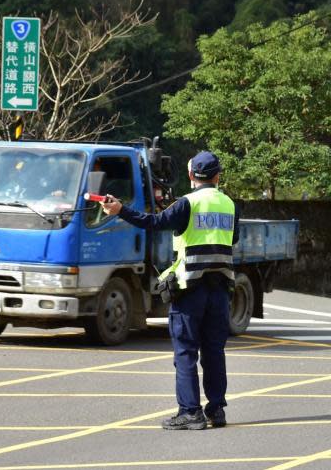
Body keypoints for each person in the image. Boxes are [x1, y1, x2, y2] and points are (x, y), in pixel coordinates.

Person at [101, 151, 239, 430]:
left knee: (186, 352)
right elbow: (233, 238)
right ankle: (216, 410)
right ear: (217, 176)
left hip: (190, 289)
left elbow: (154, 223)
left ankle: (190, 412)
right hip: (220, 289)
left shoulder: (187, 203)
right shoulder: (229, 204)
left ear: (191, 176)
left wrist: (120, 210)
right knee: (214, 352)